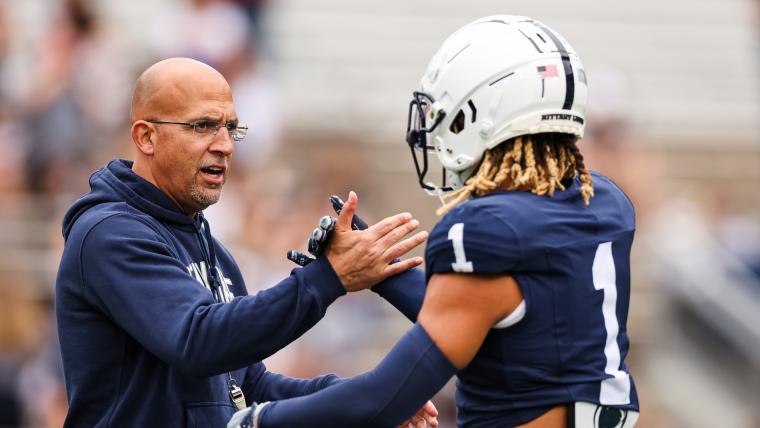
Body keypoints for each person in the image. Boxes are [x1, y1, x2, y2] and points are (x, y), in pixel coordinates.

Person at [230, 15, 640, 427]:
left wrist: (256, 420)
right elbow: (492, 320)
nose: (439, 132)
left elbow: (382, 399)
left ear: (487, 113)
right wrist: (380, 269)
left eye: (452, 118)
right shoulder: (603, 201)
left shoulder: (485, 227)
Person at [55, 57, 437, 427]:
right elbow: (197, 341)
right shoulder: (108, 233)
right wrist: (328, 277)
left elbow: (248, 387)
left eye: (230, 128)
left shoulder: (211, 250)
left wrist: (362, 406)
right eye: (203, 126)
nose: (225, 145)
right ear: (146, 137)